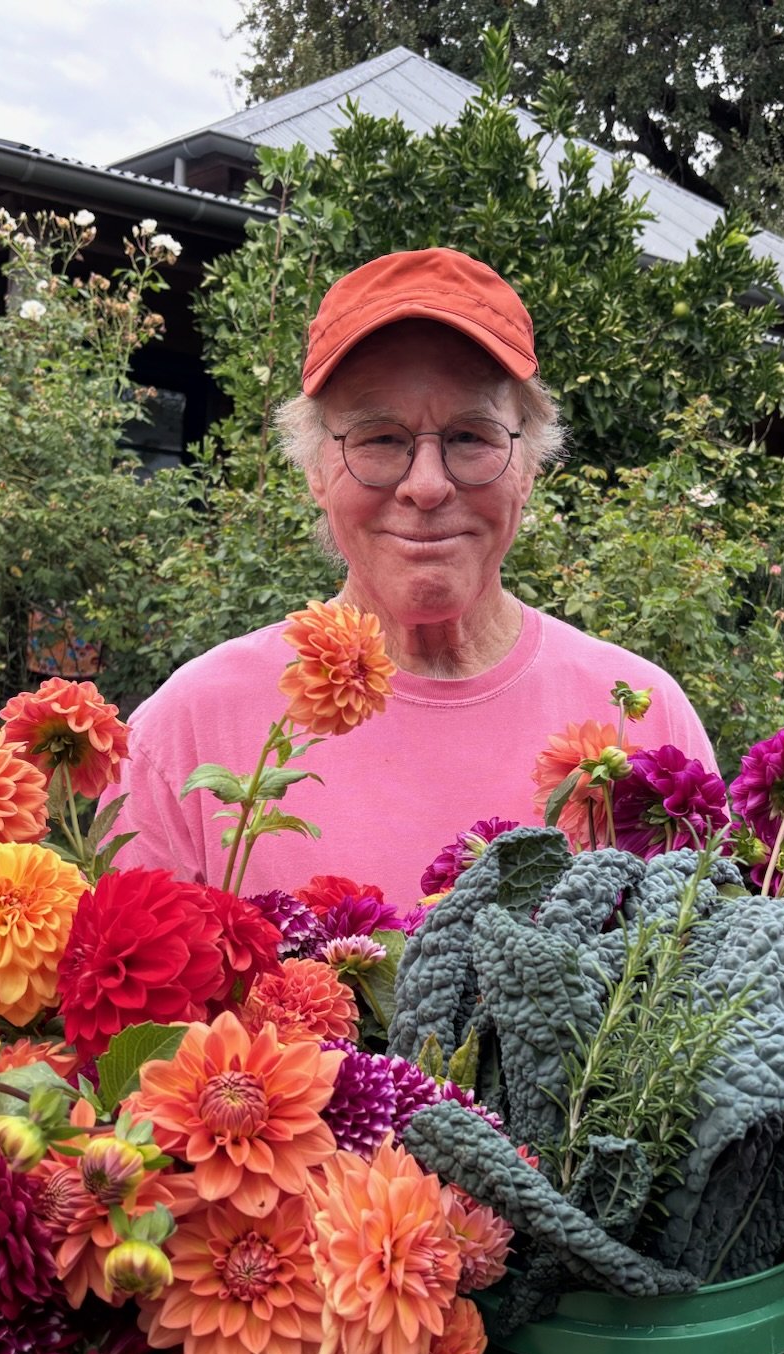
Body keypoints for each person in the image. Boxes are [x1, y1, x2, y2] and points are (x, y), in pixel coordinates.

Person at [112, 247, 718, 899]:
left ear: (530, 466)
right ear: (316, 468)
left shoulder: (644, 719)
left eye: (470, 437)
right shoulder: (191, 730)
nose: (426, 486)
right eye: (379, 439)